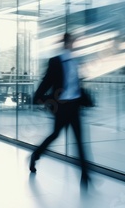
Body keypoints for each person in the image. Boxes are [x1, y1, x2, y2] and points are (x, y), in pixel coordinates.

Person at [29, 33, 90, 188]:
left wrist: (84, 98)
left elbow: (76, 84)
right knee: (55, 134)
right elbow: (47, 80)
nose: (74, 44)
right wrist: (38, 96)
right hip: (62, 106)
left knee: (79, 139)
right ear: (66, 43)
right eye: (72, 42)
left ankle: (85, 174)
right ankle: (36, 155)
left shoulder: (75, 61)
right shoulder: (56, 61)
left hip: (74, 105)